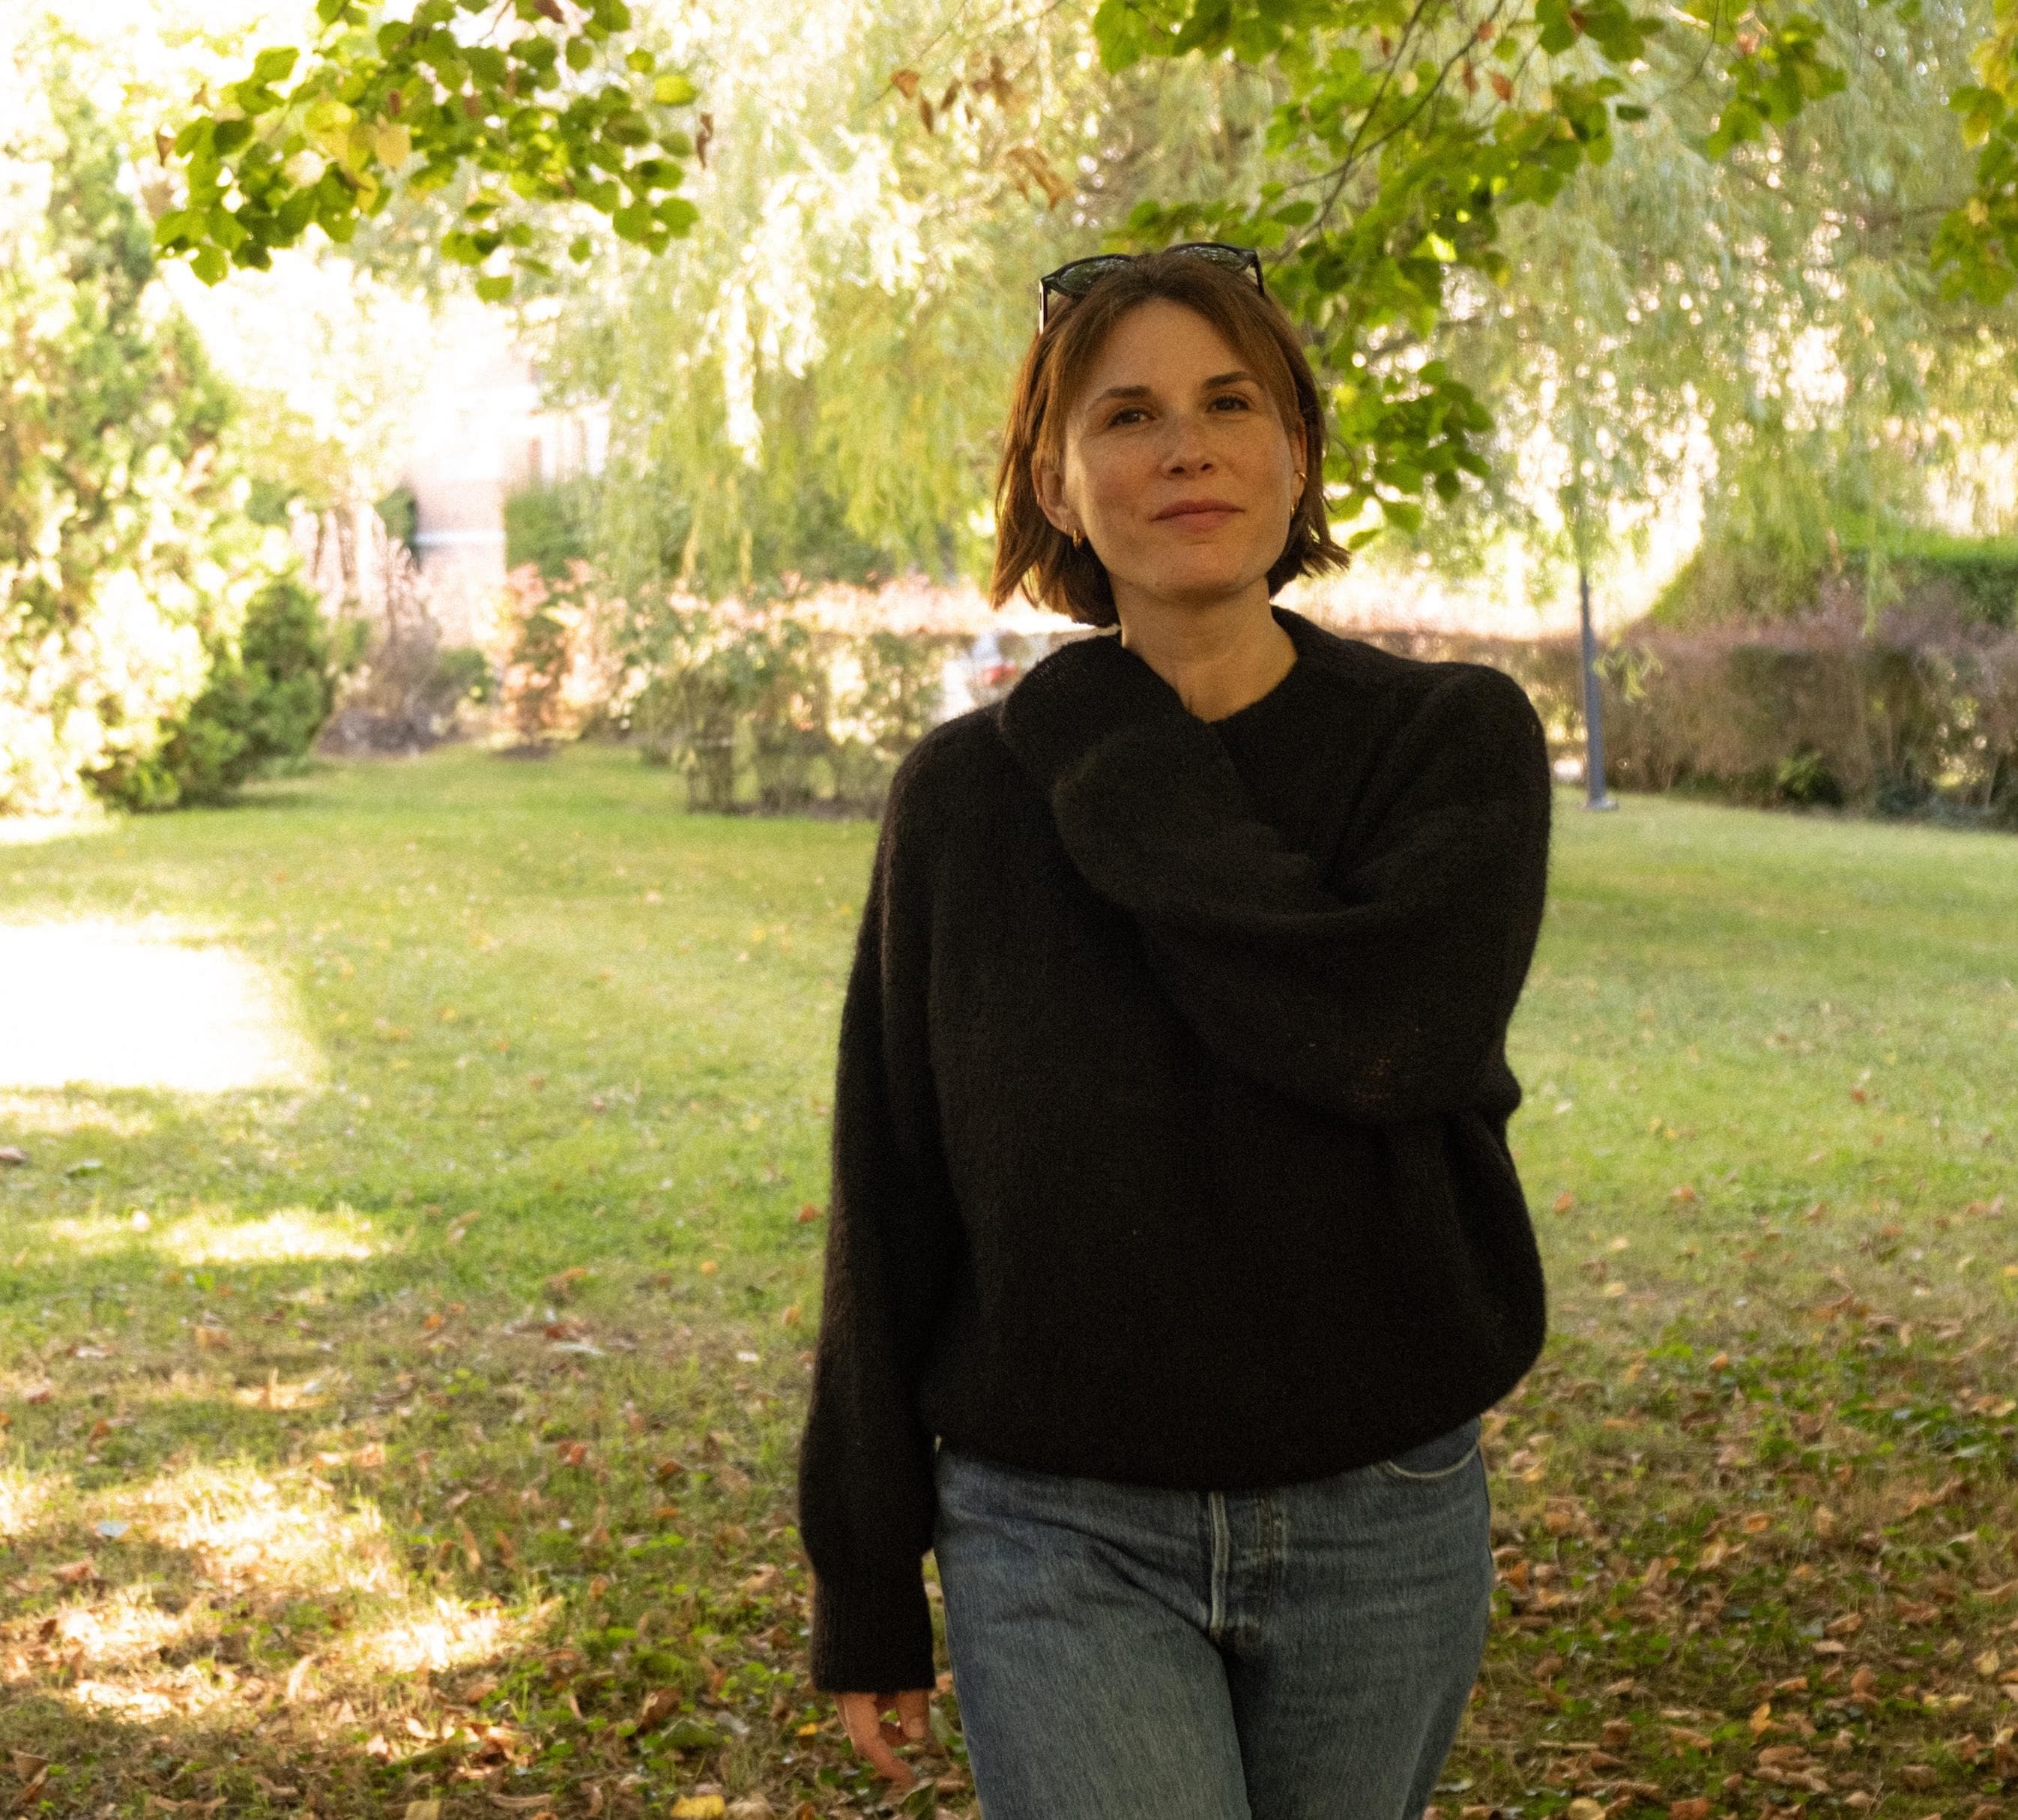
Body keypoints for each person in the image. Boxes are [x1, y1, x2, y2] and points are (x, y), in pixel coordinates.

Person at [794, 242, 1555, 1820]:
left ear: (1296, 451)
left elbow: (1384, 1043)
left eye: (1230, 402)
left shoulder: (1446, 744)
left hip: (1379, 1504)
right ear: (1060, 486)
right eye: (1127, 416)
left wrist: (1101, 733)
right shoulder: (963, 800)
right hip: (1058, 1525)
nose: (1186, 446)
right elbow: (892, 1181)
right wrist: (865, 1569)